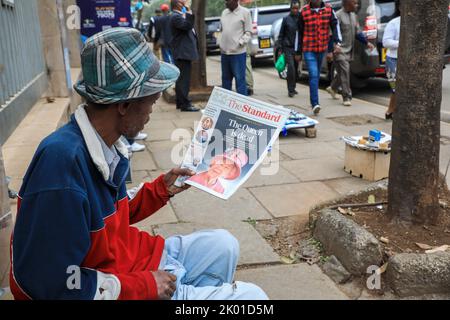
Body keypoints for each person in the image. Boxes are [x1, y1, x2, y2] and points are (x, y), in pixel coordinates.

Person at [10, 28, 267, 300]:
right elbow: (49, 283)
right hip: (120, 284)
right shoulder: (60, 166)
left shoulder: (104, 144)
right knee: (252, 298)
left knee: (224, 245)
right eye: (151, 101)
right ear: (124, 105)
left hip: (134, 259)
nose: (151, 112)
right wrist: (143, 286)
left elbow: (109, 216)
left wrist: (159, 190)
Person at [326, 0, 374, 107]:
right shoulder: (337, 16)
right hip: (339, 50)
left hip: (349, 50)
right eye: (354, 3)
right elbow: (330, 34)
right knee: (345, 71)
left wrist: (367, 43)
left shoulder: (353, 16)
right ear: (347, 3)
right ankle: (346, 97)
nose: (356, 5)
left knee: (342, 73)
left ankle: (333, 88)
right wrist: (330, 50)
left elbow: (358, 33)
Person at [297, 0, 341, 115]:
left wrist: (337, 43)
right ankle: (315, 103)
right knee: (314, 74)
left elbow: (335, 26)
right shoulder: (304, 12)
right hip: (309, 49)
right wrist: (298, 51)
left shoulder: (329, 10)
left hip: (322, 48)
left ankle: (315, 102)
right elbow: (299, 33)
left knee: (316, 74)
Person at [170, 0, 200, 112]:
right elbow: (188, 26)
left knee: (182, 79)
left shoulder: (178, 16)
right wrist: (188, 10)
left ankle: (180, 102)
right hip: (182, 53)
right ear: (177, 3)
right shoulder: (175, 17)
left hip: (183, 52)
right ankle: (185, 104)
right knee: (184, 80)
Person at [219, 0, 252, 96]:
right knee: (225, 80)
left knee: (240, 80)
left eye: (228, 0)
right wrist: (220, 43)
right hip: (225, 53)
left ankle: (242, 106)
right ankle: (226, 106)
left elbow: (248, 32)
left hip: (238, 54)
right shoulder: (224, 12)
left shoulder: (245, 12)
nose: (226, 2)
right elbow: (222, 30)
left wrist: (240, 43)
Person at [278, 1, 301, 98]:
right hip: (287, 47)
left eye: (297, 8)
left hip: (298, 48)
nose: (295, 10)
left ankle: (293, 87)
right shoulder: (286, 19)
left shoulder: (301, 18)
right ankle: (290, 90)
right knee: (291, 67)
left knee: (295, 69)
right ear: (290, 8)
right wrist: (280, 48)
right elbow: (281, 35)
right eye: (293, 8)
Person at [382, 0, 401, 119]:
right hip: (392, 60)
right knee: (396, 88)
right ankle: (391, 111)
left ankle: (390, 112)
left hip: (408, 62)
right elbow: (386, 42)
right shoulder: (393, 23)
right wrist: (402, 43)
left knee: (401, 89)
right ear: (400, 7)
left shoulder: (415, 24)